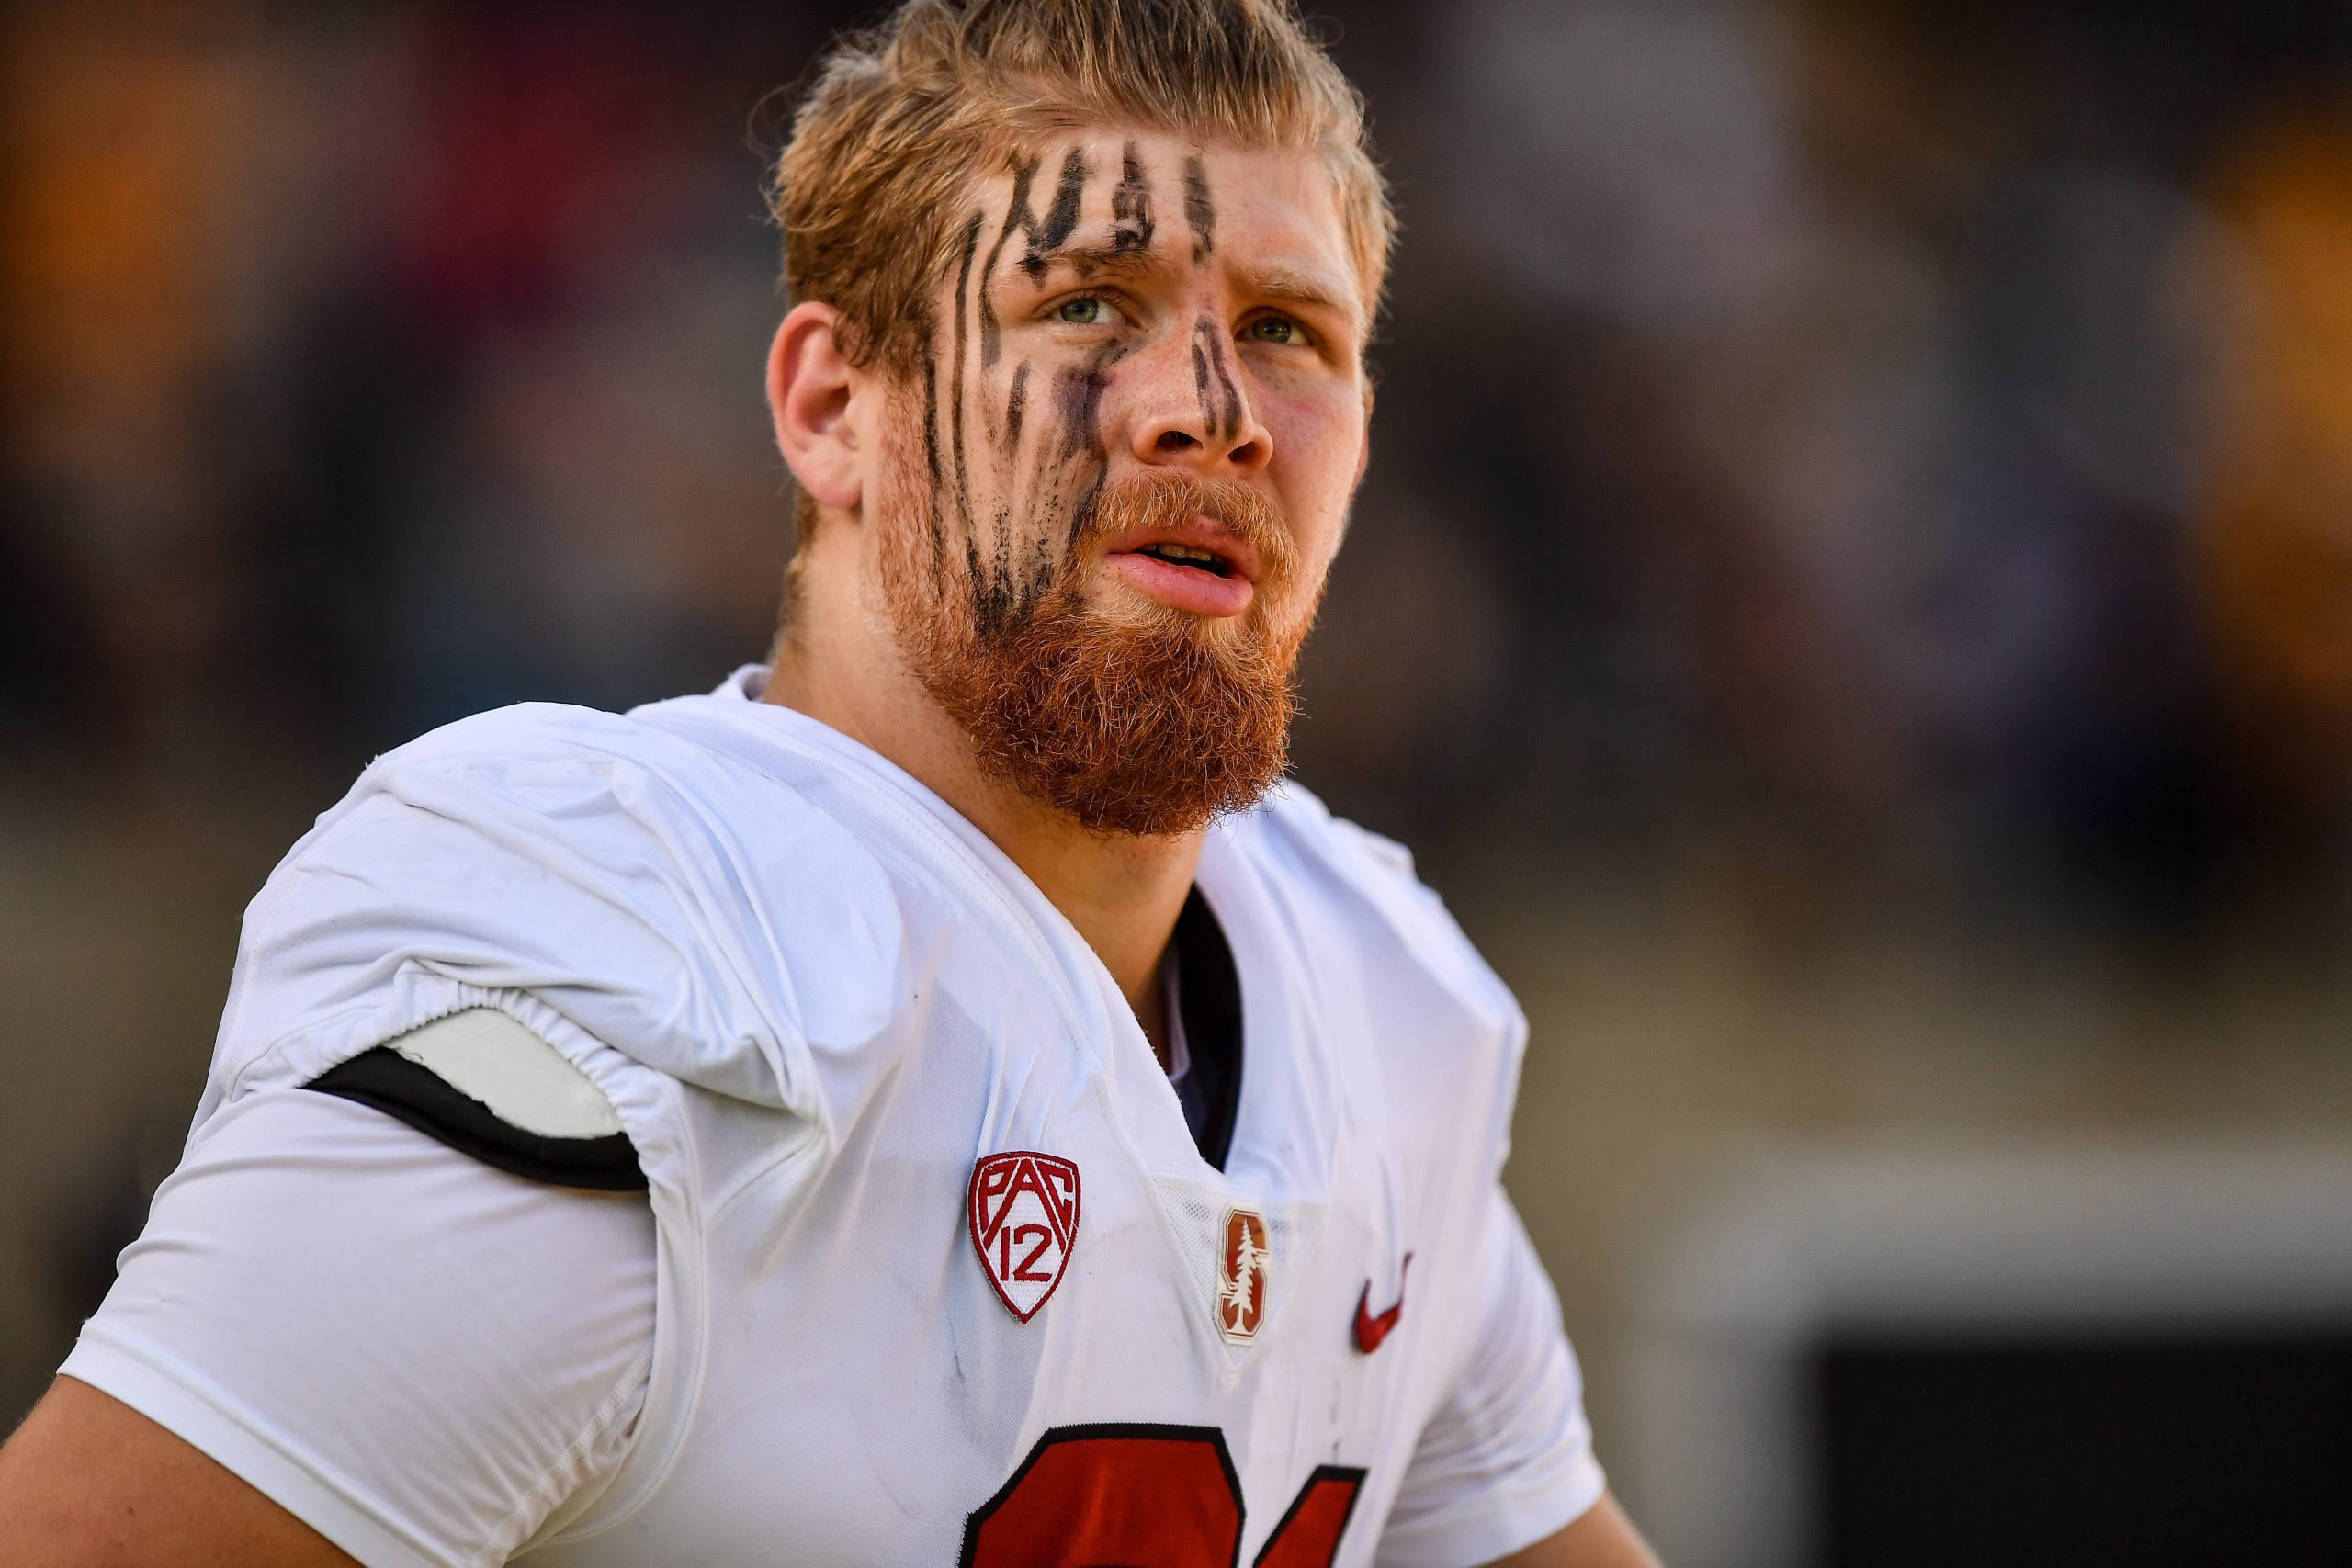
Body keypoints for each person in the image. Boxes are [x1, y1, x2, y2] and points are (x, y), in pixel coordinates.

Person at [0, 2, 1662, 1562]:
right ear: (830, 407)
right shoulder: (653, 994)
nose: (1213, 413)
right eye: (1088, 304)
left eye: (1290, 331)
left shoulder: (1379, 1024)